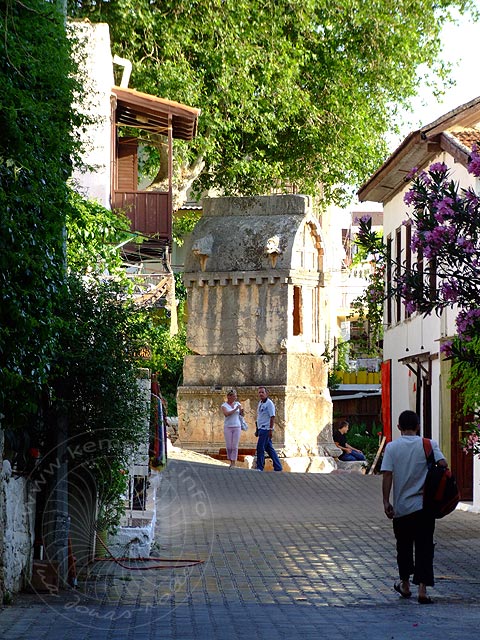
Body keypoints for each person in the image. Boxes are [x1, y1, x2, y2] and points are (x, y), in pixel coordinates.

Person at [381, 410, 448, 605]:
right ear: (418, 426)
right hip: (425, 508)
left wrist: (386, 502)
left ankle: (405, 585)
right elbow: (443, 464)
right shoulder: (428, 444)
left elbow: (387, 475)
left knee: (403, 547)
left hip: (402, 509)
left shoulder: (392, 447)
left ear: (399, 427)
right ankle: (423, 590)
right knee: (425, 547)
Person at [255, 386, 282, 472]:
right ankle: (278, 466)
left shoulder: (269, 404)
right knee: (269, 448)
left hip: (266, 429)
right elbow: (259, 417)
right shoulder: (260, 403)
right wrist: (257, 429)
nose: (261, 394)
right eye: (259, 392)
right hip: (261, 428)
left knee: (260, 447)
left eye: (262, 392)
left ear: (266, 393)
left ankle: (260, 467)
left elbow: (272, 417)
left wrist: (270, 429)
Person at [221, 389, 243, 468]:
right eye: (233, 396)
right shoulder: (224, 406)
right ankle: (230, 459)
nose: (235, 397)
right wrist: (235, 409)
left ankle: (233, 462)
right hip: (228, 426)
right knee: (229, 446)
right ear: (229, 397)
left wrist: (241, 410)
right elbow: (227, 414)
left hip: (237, 426)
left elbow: (241, 414)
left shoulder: (237, 404)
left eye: (235, 396)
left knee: (235, 446)